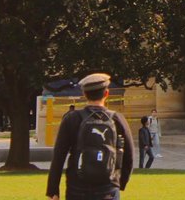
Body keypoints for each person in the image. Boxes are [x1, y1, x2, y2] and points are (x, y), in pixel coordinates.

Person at [45, 72, 134, 200]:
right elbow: (129, 156)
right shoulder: (117, 119)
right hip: (108, 188)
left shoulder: (72, 119)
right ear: (106, 94)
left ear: (84, 94)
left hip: (77, 188)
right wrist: (120, 182)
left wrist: (53, 190)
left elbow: (59, 156)